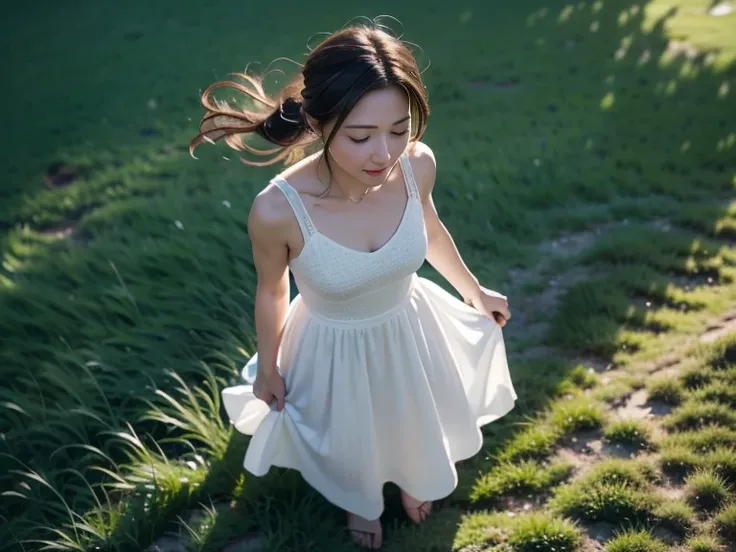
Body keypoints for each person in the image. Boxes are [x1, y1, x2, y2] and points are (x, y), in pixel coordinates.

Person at [190, 19, 517, 550]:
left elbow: (429, 229)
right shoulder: (277, 211)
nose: (383, 154)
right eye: (361, 136)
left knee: (412, 410)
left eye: (399, 128)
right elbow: (273, 292)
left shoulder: (417, 166)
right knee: (351, 436)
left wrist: (474, 291)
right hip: (333, 344)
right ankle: (358, 502)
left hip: (409, 325)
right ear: (319, 124)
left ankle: (417, 475)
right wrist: (269, 366)